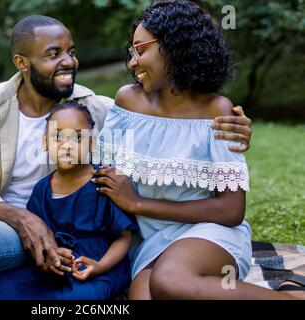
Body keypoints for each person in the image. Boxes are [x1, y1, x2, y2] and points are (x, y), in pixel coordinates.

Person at [0, 14, 252, 300]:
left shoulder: (93, 108)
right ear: (22, 64)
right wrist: (20, 217)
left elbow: (168, 122)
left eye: (71, 51)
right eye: (53, 54)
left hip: (31, 229)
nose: (69, 62)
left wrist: (234, 127)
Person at [91, 0, 298, 299]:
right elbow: (103, 177)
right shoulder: (127, 102)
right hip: (150, 242)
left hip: (209, 232)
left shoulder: (217, 110)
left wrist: (137, 204)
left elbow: (230, 210)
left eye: (141, 49)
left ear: (174, 47)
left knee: (170, 281)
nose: (132, 62)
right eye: (131, 51)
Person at [0, 101, 138, 300]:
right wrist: (54, 253)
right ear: (45, 142)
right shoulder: (42, 190)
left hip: (98, 267)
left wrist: (100, 267)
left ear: (92, 144)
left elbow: (123, 237)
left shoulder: (104, 183)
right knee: (1, 289)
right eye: (57, 136)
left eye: (77, 137)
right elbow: (39, 237)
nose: (66, 145)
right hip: (55, 265)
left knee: (78, 298)